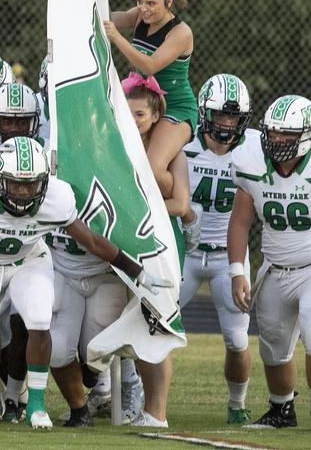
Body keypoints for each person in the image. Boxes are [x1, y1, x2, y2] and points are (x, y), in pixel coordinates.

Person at [0, 137, 172, 429]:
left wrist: (137, 271)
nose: (22, 192)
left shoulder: (56, 199)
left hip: (29, 261)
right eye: (16, 183)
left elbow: (92, 241)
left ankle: (37, 405)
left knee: (40, 318)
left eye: (31, 184)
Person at [229, 95, 311, 432]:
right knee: (273, 348)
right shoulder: (251, 160)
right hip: (276, 268)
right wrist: (238, 271)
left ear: (308, 134)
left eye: (286, 135)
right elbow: (239, 221)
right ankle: (281, 411)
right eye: (272, 133)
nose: (276, 140)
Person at [181, 74, 257, 424]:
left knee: (238, 340)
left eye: (233, 117)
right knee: (147, 321)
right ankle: (129, 392)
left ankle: (237, 404)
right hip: (183, 253)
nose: (227, 123)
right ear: (203, 112)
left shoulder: (255, 147)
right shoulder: (180, 142)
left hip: (230, 257)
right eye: (220, 115)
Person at [123, 73, 192, 427]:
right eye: (128, 113)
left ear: (154, 117)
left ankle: (157, 413)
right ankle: (139, 406)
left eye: (140, 115)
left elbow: (181, 205)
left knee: (157, 324)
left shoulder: (171, 154)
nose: (134, 121)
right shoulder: (118, 145)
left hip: (163, 242)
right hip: (129, 239)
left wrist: (141, 208)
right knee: (135, 326)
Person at [104, 0, 195, 198]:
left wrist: (117, 38)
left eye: (151, 3)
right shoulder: (140, 17)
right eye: (139, 2)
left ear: (169, 0)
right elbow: (108, 17)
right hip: (145, 105)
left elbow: (151, 65)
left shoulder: (181, 32)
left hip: (175, 108)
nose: (144, 8)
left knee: (153, 171)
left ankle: (181, 209)